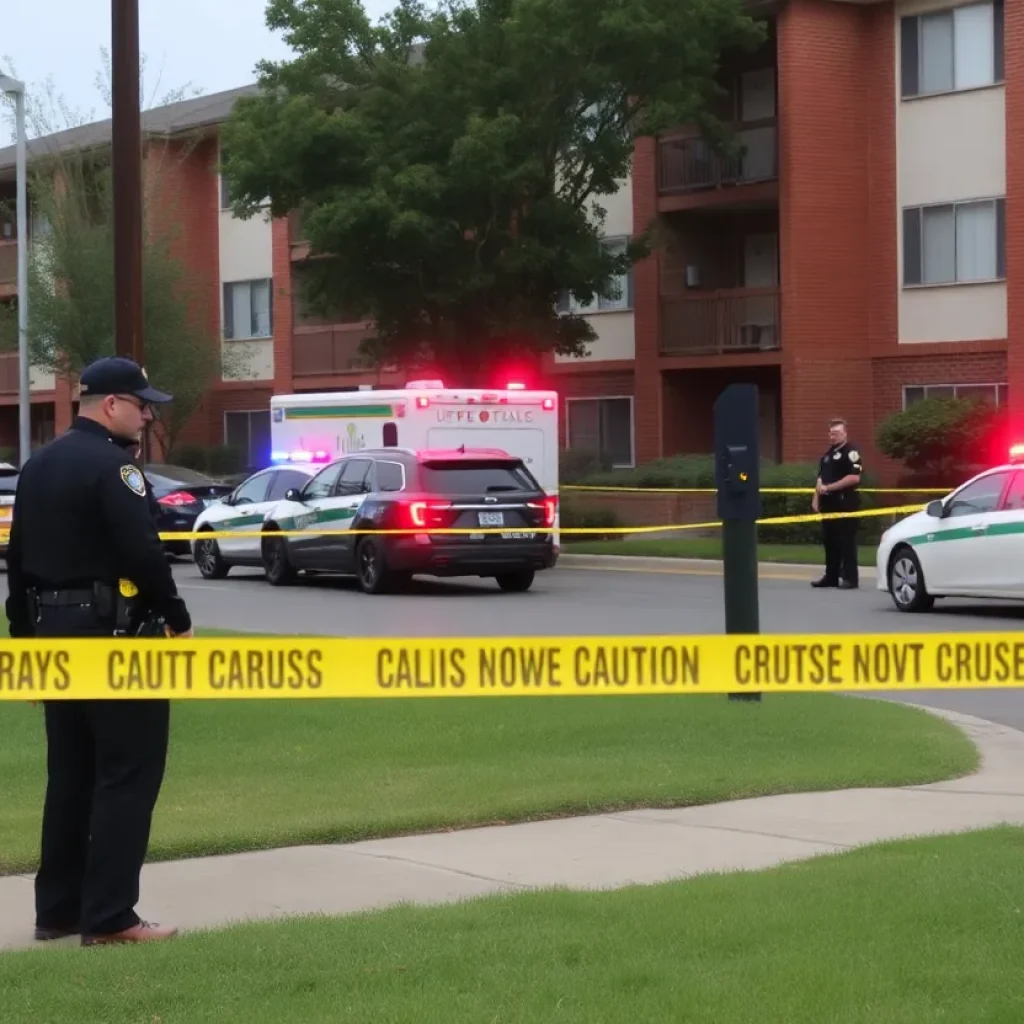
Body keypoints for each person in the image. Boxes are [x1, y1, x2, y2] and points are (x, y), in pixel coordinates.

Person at [4, 355, 193, 947]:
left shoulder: (38, 467)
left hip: (53, 636)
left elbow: (16, 560)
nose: (146, 417)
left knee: (71, 774)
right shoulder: (117, 470)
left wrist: (25, 644)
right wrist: (177, 617)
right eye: (141, 406)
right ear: (111, 405)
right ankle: (110, 917)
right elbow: (142, 550)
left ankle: (57, 909)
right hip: (115, 639)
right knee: (127, 773)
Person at [811, 417, 863, 590]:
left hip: (845, 503)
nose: (833, 437)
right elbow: (820, 478)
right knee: (830, 541)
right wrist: (816, 497)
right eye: (831, 433)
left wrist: (830, 487)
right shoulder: (827, 455)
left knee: (846, 541)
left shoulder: (851, 452)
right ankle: (831, 576)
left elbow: (854, 477)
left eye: (837, 433)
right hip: (828, 504)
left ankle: (850, 578)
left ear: (845, 433)